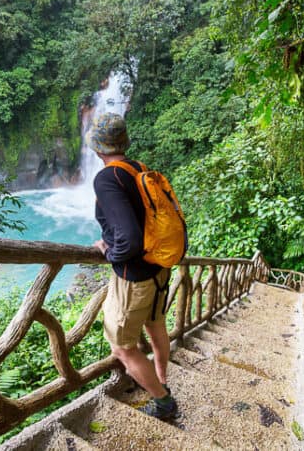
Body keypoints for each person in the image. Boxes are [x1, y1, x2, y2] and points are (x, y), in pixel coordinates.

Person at [86, 112, 178, 420]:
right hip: (159, 271)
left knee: (123, 348)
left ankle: (163, 400)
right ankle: (162, 377)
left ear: (97, 148)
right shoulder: (138, 168)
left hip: (134, 279)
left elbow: (130, 238)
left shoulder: (106, 178)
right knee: (156, 327)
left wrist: (110, 252)